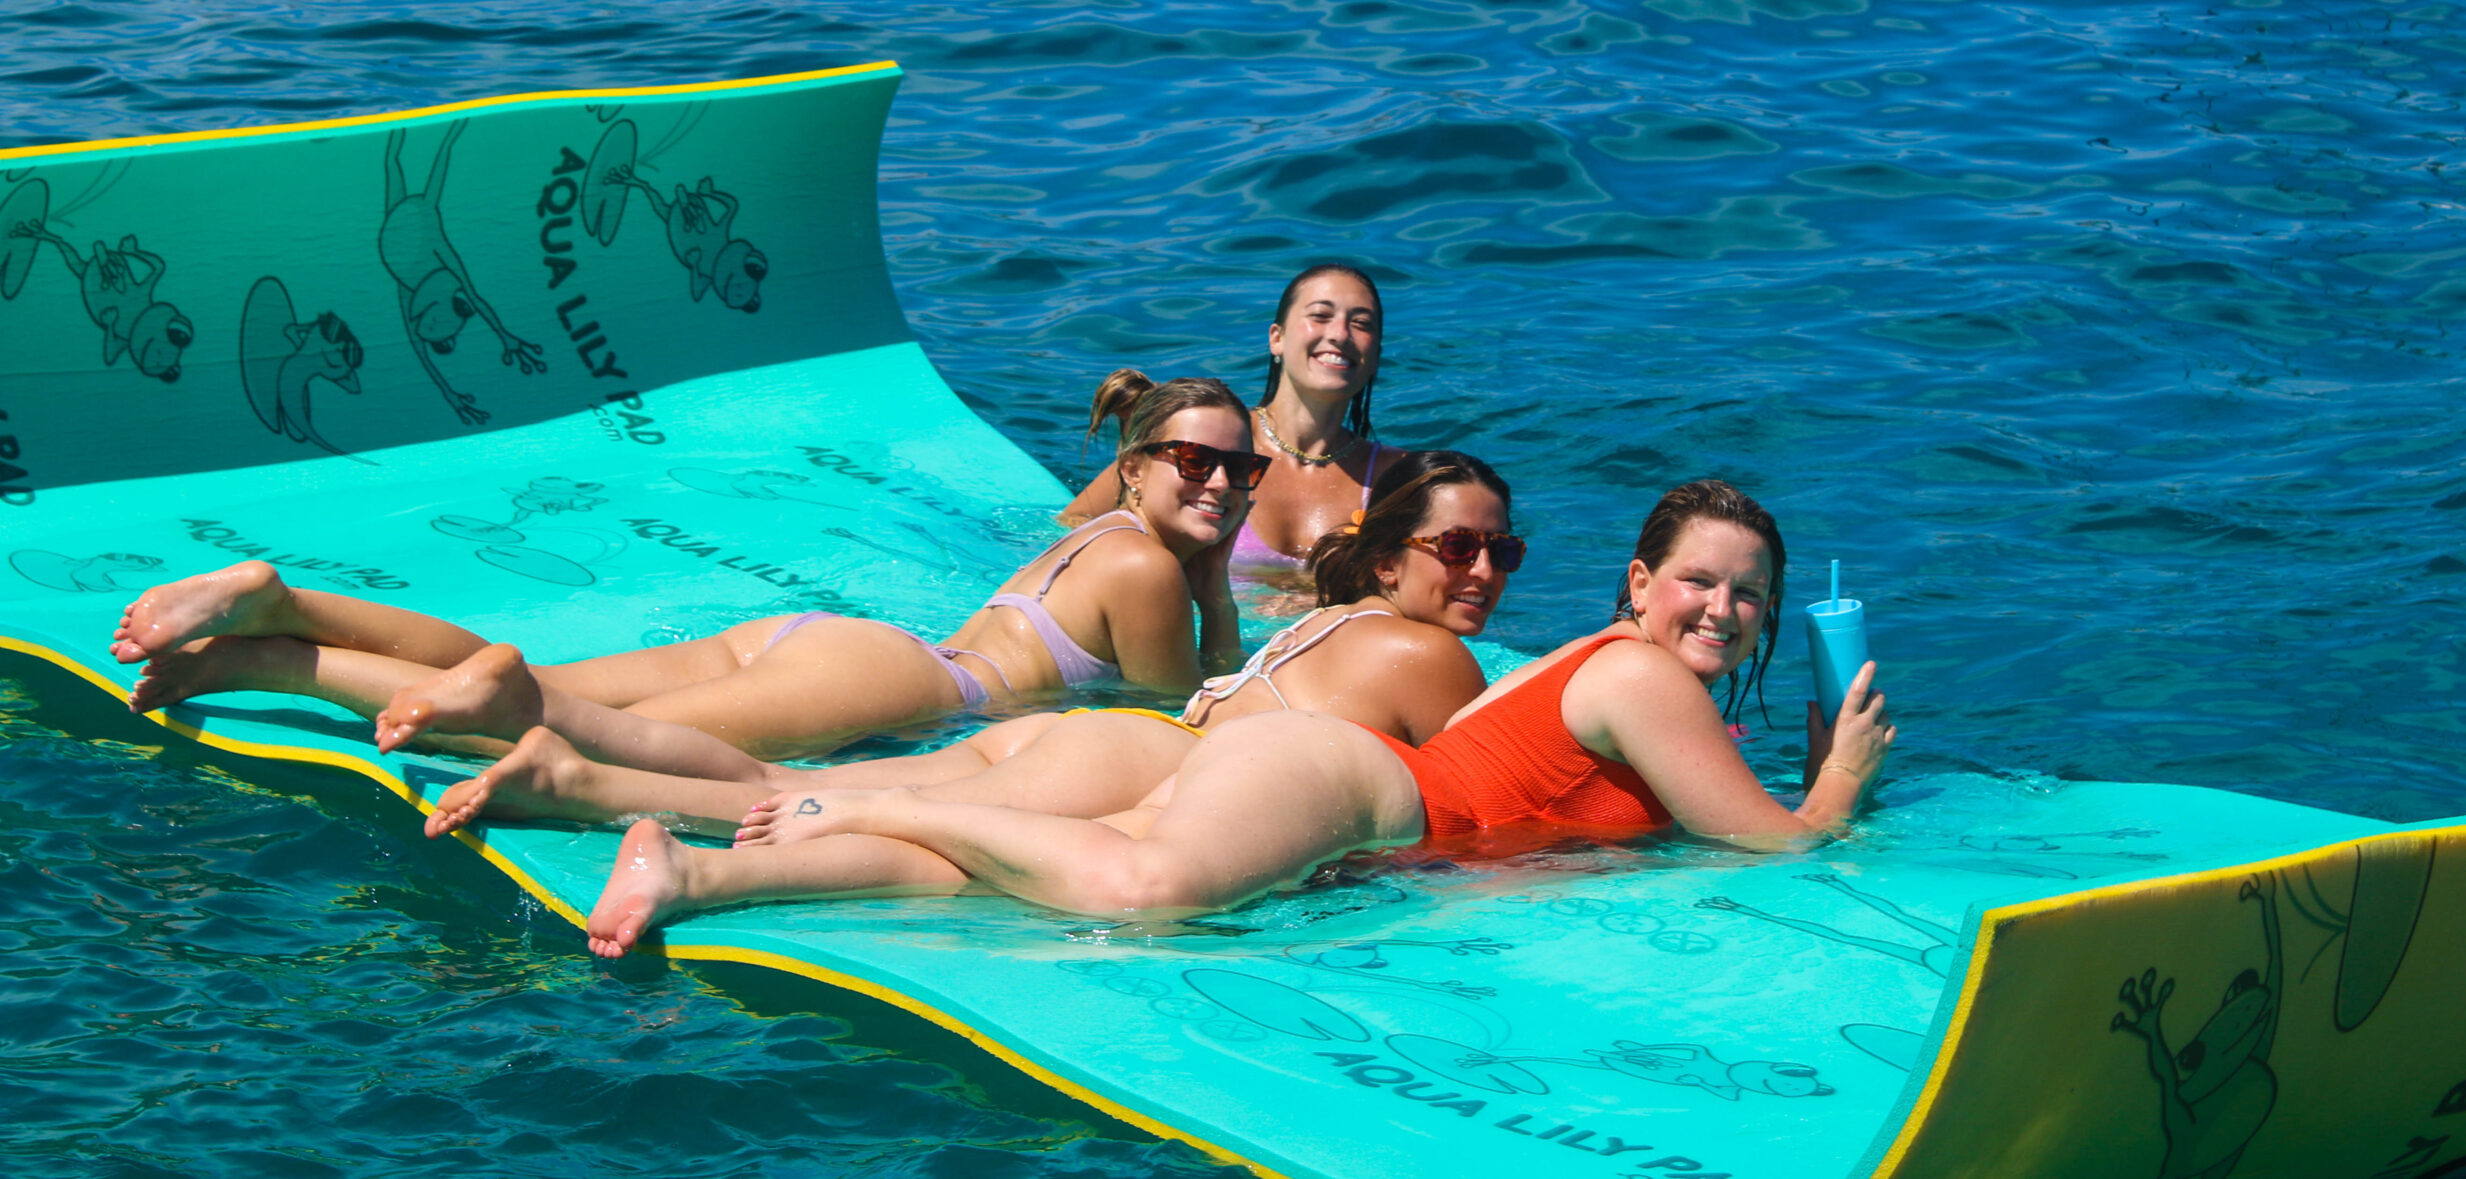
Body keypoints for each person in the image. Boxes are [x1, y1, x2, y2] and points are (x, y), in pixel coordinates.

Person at [582, 478, 1898, 953]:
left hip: (1341, 792)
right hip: (1347, 782)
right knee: (1148, 888)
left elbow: (1536, 798)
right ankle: (870, 795)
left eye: (1748, 593)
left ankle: (691, 869)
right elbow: (1768, 844)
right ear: (1641, 583)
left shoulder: (1595, 658)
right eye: (1699, 581)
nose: (1720, 609)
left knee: (995, 880)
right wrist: (1837, 779)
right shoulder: (1649, 677)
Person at [110, 376, 1259, 770]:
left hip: (820, 642)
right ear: (1137, 464)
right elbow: (1169, 713)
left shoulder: (1088, 537)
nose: (1219, 484)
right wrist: (1214, 591)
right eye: (1193, 462)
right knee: (541, 723)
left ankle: (284, 604)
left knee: (546, 683)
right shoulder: (1147, 572)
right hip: (904, 686)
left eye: (1240, 471)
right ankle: (269, 657)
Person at [420, 451, 1517, 841]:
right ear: (1388, 560)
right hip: (1126, 757)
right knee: (850, 818)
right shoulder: (1431, 661)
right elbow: (1476, 800)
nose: (1482, 572)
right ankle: (572, 779)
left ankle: (563, 759)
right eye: (1458, 548)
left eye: (1502, 552)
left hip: (1083, 733)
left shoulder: (1330, 619)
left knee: (787, 785)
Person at [1063, 265, 1400, 595]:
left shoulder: (1396, 478)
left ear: (1375, 356)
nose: (1340, 334)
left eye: (1361, 324)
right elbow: (1075, 523)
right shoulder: (1207, 438)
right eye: (1320, 316)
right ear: (1277, 339)